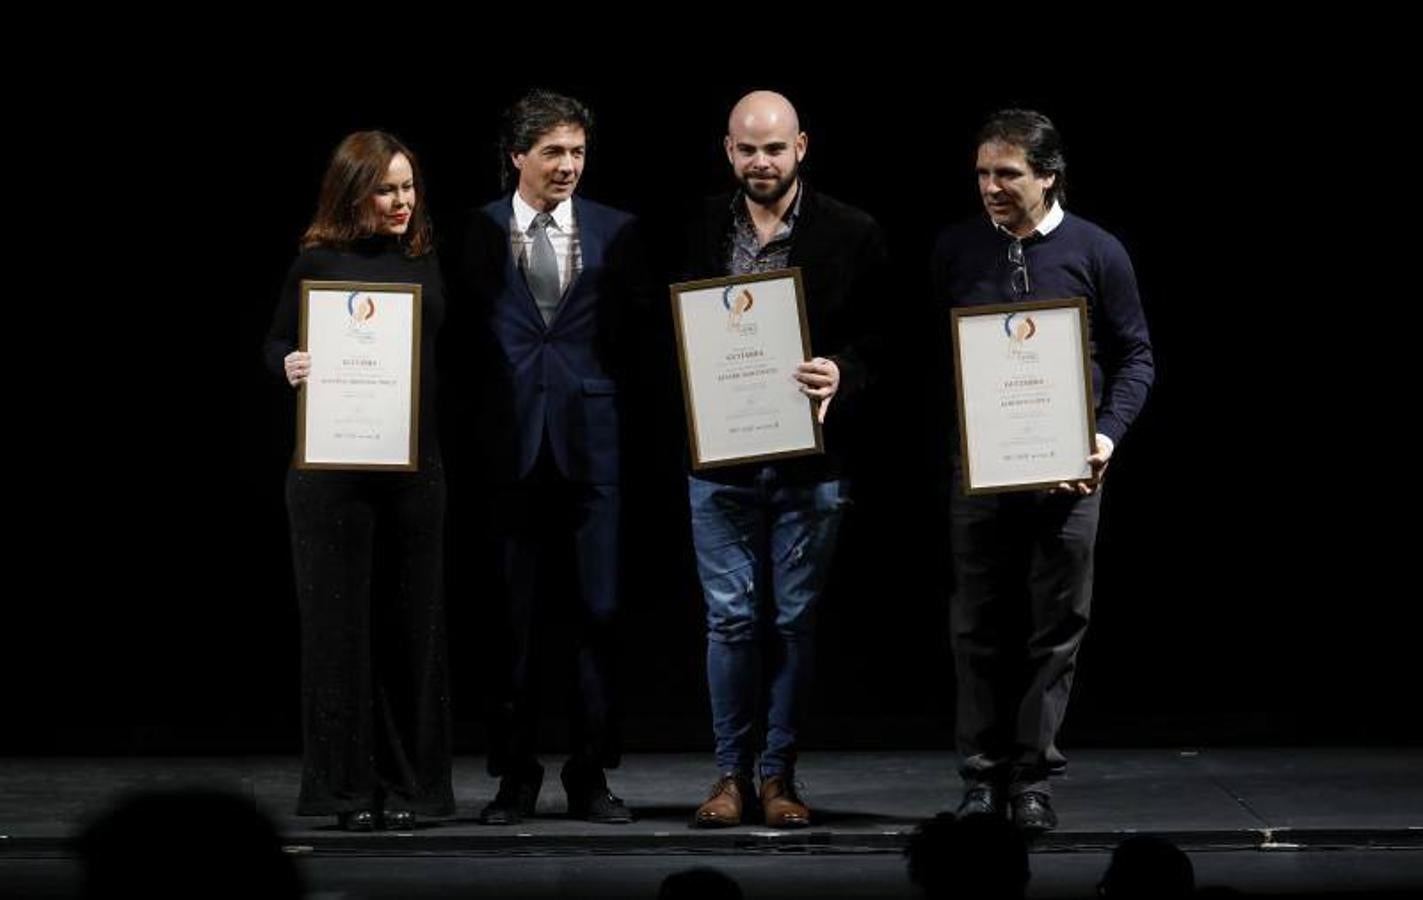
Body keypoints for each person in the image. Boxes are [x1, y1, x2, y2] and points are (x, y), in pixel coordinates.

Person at [932, 109, 1154, 832]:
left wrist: (1103, 436)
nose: (990, 186)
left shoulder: (1097, 249)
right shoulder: (956, 249)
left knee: (1055, 627)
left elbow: (1136, 356)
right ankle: (979, 776)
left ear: (1047, 175)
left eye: (1006, 174)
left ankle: (1031, 779)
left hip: (1070, 474)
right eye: (981, 173)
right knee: (977, 628)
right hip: (981, 474)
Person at [682, 90, 889, 828]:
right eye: (746, 148)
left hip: (811, 464)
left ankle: (779, 777)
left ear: (800, 146)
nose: (759, 161)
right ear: (727, 151)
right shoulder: (696, 226)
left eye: (773, 148)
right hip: (720, 461)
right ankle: (729, 776)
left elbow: (885, 342)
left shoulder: (851, 232)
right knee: (730, 622)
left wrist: (843, 371)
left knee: (793, 622)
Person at [453, 90, 647, 825]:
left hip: (591, 449)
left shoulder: (617, 231)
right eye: (553, 153)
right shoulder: (474, 231)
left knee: (598, 615)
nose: (568, 166)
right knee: (511, 621)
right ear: (517, 157)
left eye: (577, 152)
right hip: (508, 447)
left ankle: (591, 774)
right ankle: (514, 775)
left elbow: (637, 342)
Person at [264, 131, 454, 831]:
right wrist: (287, 365)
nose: (402, 201)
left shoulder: (424, 255)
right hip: (329, 475)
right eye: (386, 189)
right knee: (337, 634)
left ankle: (413, 791)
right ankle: (342, 792)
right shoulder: (315, 260)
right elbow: (276, 341)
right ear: (353, 191)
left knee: (413, 629)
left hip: (412, 469)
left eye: (408, 187)